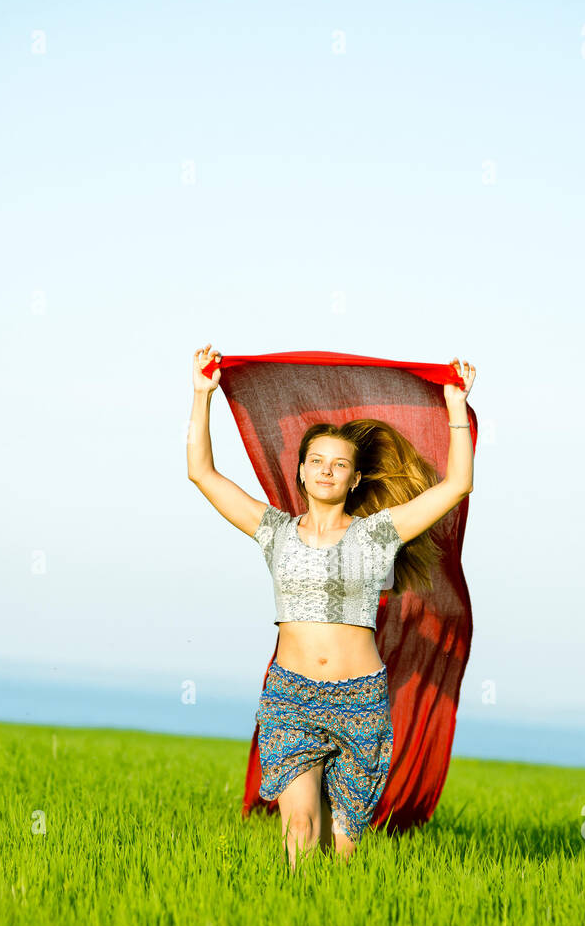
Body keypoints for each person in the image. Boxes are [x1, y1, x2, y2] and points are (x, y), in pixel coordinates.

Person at [187, 343, 475, 870]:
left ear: (355, 478)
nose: (325, 470)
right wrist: (202, 396)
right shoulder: (274, 531)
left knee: (342, 848)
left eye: (338, 464)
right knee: (299, 825)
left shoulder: (378, 535)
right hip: (290, 696)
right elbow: (202, 474)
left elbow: (457, 485)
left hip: (359, 700)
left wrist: (455, 406)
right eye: (315, 461)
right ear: (299, 472)